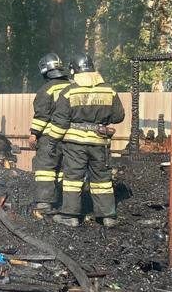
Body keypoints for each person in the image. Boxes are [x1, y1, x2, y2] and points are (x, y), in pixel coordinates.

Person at [52, 54, 124, 227]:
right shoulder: (109, 90)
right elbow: (119, 116)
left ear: (74, 70)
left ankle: (70, 216)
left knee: (73, 179)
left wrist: (53, 141)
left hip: (75, 144)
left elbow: (60, 120)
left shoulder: (69, 91)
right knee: (102, 179)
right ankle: (107, 216)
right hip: (100, 143)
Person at [29, 52, 70, 211]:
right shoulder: (73, 86)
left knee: (45, 169)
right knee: (64, 169)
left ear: (45, 71)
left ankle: (44, 202)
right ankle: (63, 201)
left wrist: (34, 133)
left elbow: (42, 115)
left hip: (49, 137)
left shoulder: (46, 90)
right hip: (71, 136)